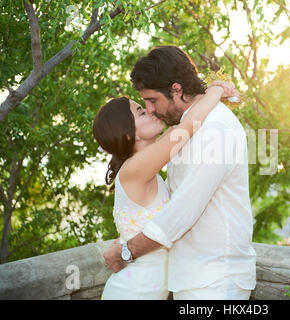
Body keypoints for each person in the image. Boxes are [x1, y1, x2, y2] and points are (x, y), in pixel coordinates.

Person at [103, 46, 257, 300]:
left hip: (215, 281)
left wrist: (126, 250)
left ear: (176, 89)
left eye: (152, 101)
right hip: (192, 278)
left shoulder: (214, 128)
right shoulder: (191, 128)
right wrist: (216, 89)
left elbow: (181, 212)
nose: (150, 109)